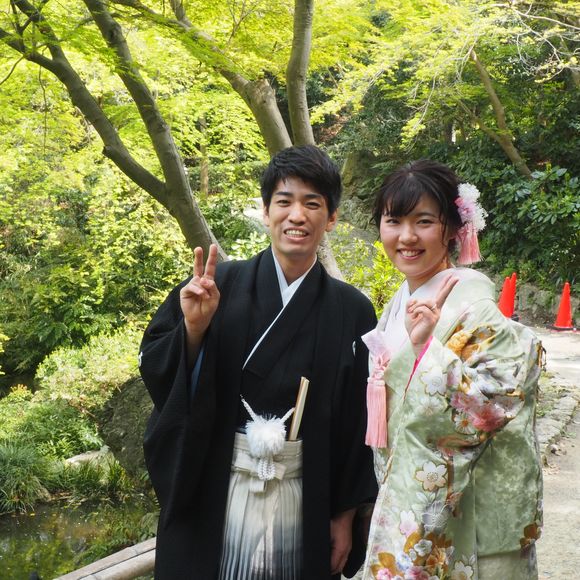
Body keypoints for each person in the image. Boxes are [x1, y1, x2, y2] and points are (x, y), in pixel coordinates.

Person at [139, 145, 378, 579]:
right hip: (215, 489)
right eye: (284, 201)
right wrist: (193, 330)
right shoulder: (215, 286)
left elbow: (356, 423)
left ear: (332, 218)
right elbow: (156, 367)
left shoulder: (352, 310)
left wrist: (345, 514)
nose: (296, 215)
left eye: (312, 204)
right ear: (266, 212)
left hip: (304, 498)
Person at [359, 160, 543, 579]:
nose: (407, 236)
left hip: (470, 521)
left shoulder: (475, 308)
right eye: (393, 221)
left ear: (454, 230)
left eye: (424, 221)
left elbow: (490, 409)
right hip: (412, 505)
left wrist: (426, 350)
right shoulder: (401, 300)